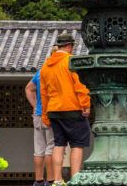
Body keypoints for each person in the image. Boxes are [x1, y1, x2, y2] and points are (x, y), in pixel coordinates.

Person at [41, 33, 91, 186]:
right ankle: (74, 179)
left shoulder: (45, 67)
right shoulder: (71, 62)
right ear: (70, 46)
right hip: (72, 108)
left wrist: (45, 116)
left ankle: (57, 180)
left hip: (53, 110)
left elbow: (43, 94)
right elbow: (80, 86)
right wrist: (86, 104)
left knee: (59, 144)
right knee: (77, 144)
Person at [25, 66, 56, 186]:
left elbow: (28, 88)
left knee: (38, 149)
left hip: (38, 115)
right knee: (51, 147)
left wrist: (35, 105)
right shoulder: (56, 71)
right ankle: (51, 180)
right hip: (51, 114)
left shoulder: (40, 72)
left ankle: (38, 181)